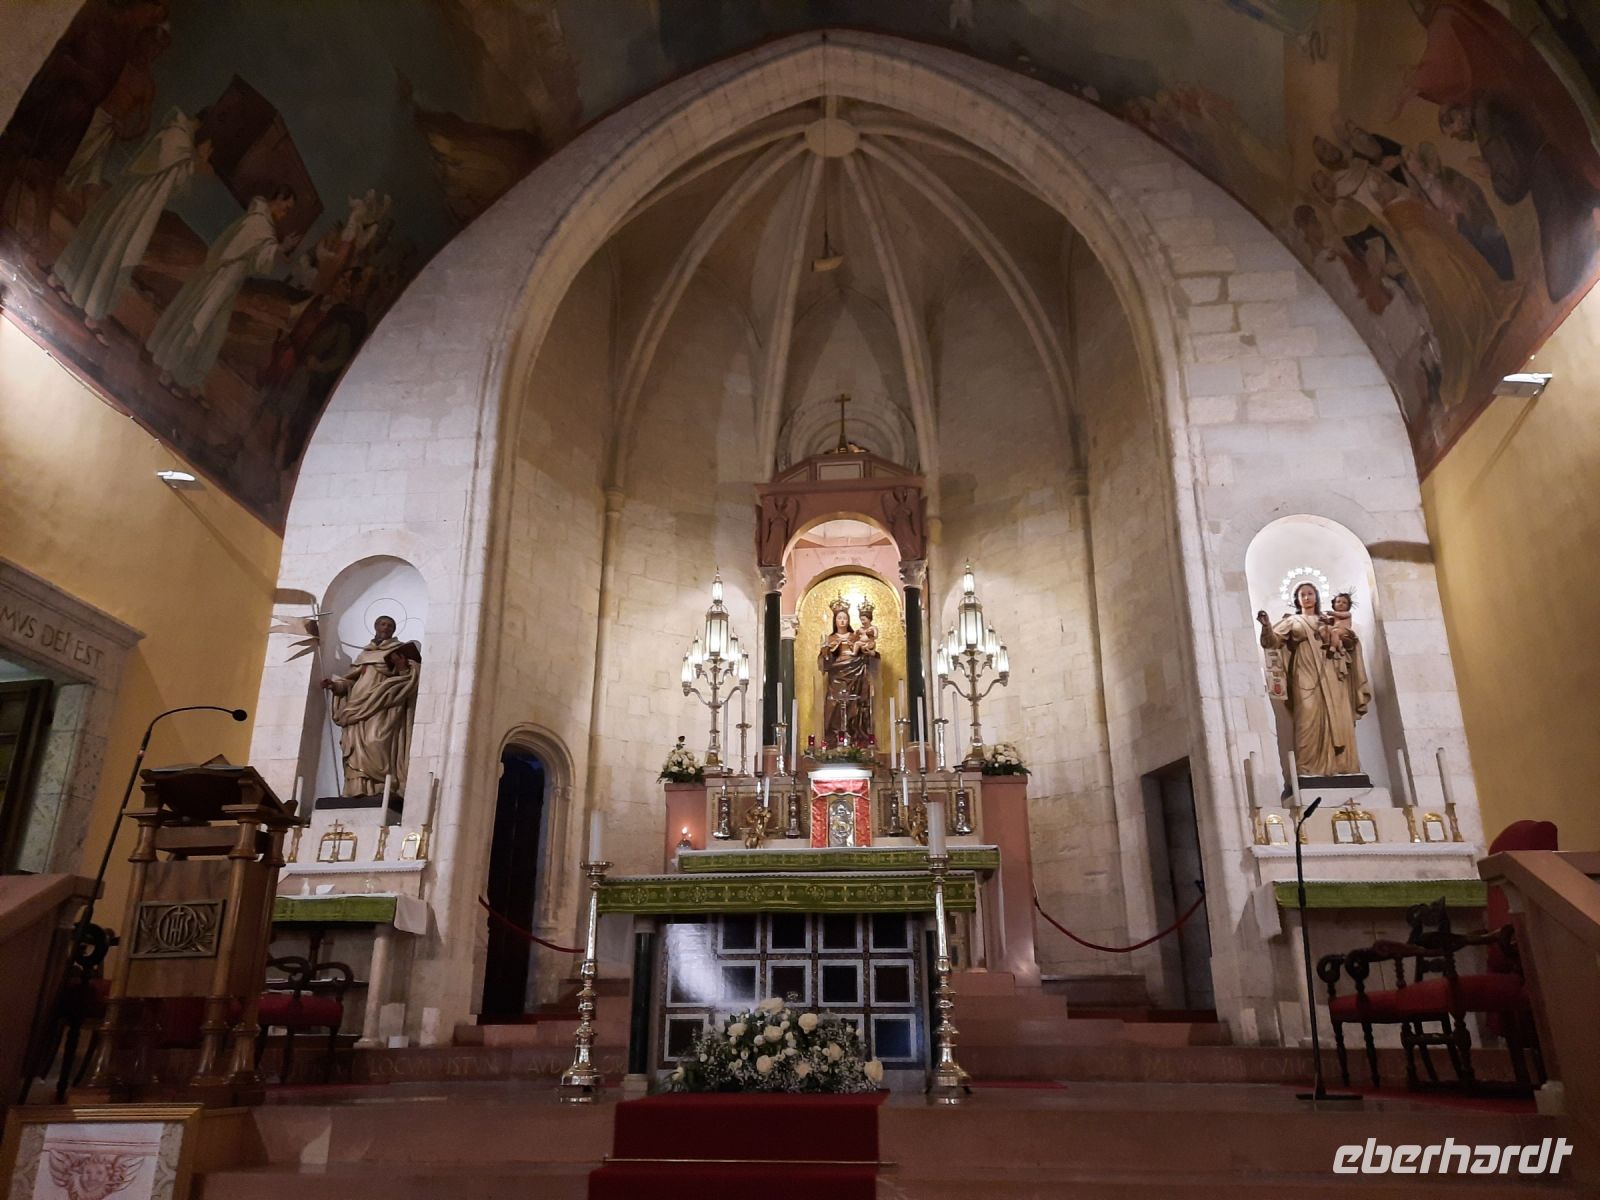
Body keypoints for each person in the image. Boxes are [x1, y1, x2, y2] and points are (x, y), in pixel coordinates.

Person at [49, 108, 209, 336]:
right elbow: (168, 171)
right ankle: (73, 291)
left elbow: (173, 186)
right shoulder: (179, 136)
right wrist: (196, 161)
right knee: (113, 247)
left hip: (141, 206)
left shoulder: (181, 139)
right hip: (136, 204)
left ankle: (83, 299)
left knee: (114, 248)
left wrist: (193, 163)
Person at [145, 185, 298, 394]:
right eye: (286, 207)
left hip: (229, 282)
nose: (285, 214)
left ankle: (188, 378)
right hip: (222, 280)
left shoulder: (261, 221)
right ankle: (169, 371)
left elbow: (256, 261)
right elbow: (255, 257)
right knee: (199, 322)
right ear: (278, 197)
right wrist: (280, 249)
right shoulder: (260, 223)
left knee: (212, 331)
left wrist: (277, 250)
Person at [1257, 582, 1371, 776]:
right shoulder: (1294, 621)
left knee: (1339, 716)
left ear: (1317, 596)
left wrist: (1345, 636)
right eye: (1303, 595)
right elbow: (1272, 642)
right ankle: (1308, 768)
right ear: (1297, 599)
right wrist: (1267, 627)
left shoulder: (1327, 620)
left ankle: (1343, 766)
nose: (1307, 597)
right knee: (1307, 716)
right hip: (1305, 672)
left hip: (1332, 673)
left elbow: (1349, 640)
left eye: (1310, 593)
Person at [321, 615, 421, 797]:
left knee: (376, 740)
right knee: (354, 746)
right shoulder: (364, 654)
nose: (386, 627)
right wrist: (335, 686)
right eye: (383, 624)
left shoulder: (397, 651)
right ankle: (356, 788)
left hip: (382, 705)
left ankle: (381, 787)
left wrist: (402, 667)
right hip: (357, 705)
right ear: (375, 626)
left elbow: (407, 678)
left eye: (390, 625)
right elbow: (351, 680)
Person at [818, 598, 877, 745]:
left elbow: (868, 650)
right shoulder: (830, 638)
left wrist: (870, 653)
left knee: (855, 704)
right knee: (834, 705)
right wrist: (826, 652)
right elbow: (825, 663)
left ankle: (855, 737)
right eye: (839, 618)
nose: (842, 621)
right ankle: (834, 739)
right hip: (837, 676)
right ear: (835, 620)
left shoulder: (855, 636)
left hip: (856, 673)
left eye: (845, 618)